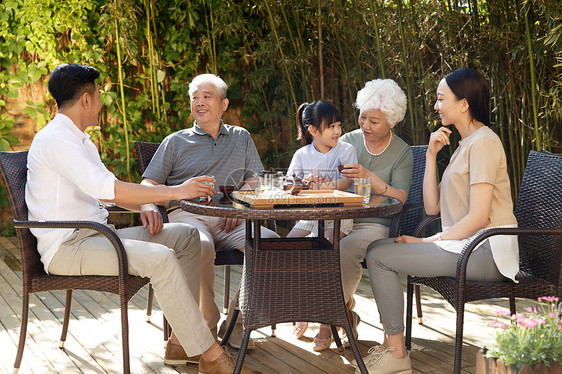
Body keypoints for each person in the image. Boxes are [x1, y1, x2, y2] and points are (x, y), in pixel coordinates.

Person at [25, 63, 261, 374]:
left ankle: (179, 343)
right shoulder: (57, 139)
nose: (99, 103)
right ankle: (213, 357)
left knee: (186, 238)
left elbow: (107, 194)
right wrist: (175, 192)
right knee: (162, 258)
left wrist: (147, 204)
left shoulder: (80, 140)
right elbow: (109, 190)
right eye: (97, 96)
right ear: (85, 99)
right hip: (69, 247)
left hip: (96, 234)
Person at [359, 68, 518, 374]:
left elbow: (479, 218)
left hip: (487, 251)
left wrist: (427, 241)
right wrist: (431, 155)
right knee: (378, 250)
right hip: (467, 247)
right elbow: (432, 207)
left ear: (464, 104)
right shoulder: (464, 145)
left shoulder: (484, 143)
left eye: (441, 98)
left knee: (378, 255)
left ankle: (396, 354)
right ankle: (394, 350)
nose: (435, 106)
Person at [141, 73, 279, 351]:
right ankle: (206, 322)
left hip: (233, 218)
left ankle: (238, 317)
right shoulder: (175, 141)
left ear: (224, 104)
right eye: (195, 97)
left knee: (275, 247)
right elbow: (149, 183)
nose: (199, 102)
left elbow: (256, 179)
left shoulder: (241, 137)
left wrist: (237, 202)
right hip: (188, 215)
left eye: (207, 96)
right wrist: (147, 202)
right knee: (200, 247)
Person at [329, 79, 413, 348]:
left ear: (392, 121)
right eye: (362, 117)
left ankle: (329, 321)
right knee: (316, 244)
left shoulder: (402, 152)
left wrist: (370, 178)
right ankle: (342, 312)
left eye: (373, 121)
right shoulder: (347, 141)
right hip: (340, 219)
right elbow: (331, 183)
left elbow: (399, 197)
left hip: (376, 224)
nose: (364, 125)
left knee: (345, 249)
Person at [285, 101, 357, 351]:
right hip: (310, 216)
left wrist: (320, 186)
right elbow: (289, 185)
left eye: (338, 125)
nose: (337, 131)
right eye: (331, 127)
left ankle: (326, 323)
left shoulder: (346, 149)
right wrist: (303, 181)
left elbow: (346, 184)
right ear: (313, 130)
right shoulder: (302, 154)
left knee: (324, 253)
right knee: (288, 251)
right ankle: (304, 307)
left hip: (339, 215)